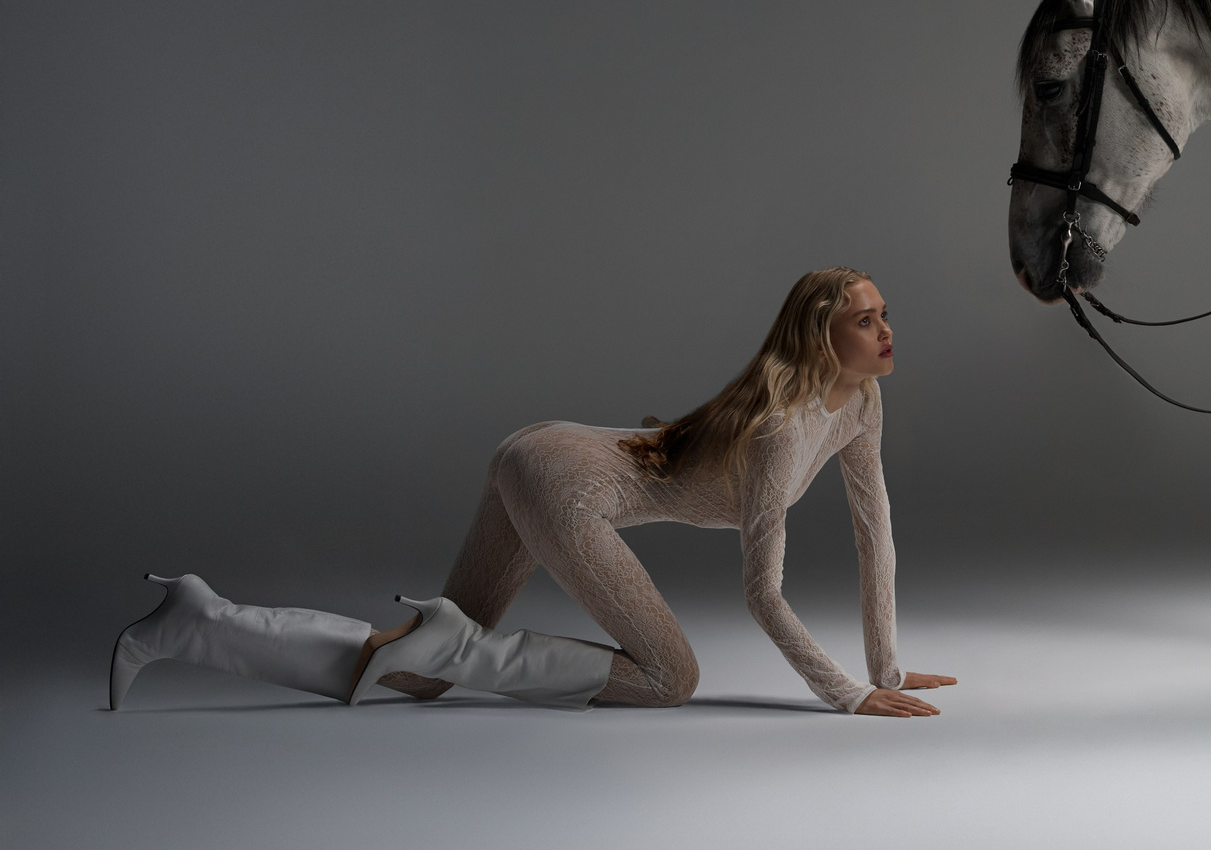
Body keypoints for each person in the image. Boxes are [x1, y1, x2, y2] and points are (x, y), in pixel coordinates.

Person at [109, 268, 953, 717]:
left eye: (885, 313)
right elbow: (762, 592)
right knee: (672, 676)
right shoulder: (781, 430)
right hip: (566, 480)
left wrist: (886, 665)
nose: (887, 331)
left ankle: (200, 621)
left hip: (542, 454)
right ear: (821, 337)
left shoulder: (860, 404)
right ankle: (454, 643)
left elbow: (873, 532)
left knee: (418, 677)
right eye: (866, 318)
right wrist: (847, 692)